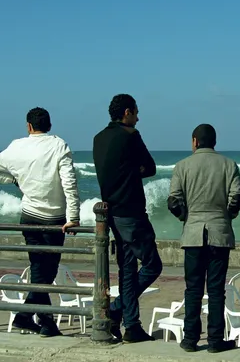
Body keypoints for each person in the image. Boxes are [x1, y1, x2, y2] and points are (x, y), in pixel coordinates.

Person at [0, 107, 80, 337]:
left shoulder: (16, 146)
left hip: (29, 217)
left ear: (29, 126)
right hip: (54, 219)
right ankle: (40, 320)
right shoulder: (58, 145)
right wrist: (73, 216)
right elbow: (69, 183)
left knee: (40, 270)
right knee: (46, 271)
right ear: (50, 125)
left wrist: (14, 179)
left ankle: (32, 319)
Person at [167, 124, 240, 353]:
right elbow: (236, 197)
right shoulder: (229, 165)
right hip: (219, 233)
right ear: (214, 142)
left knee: (193, 289)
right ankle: (215, 340)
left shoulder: (182, 166)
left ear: (194, 141)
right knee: (216, 289)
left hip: (192, 235)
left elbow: (173, 201)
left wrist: (186, 218)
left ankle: (190, 339)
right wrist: (227, 216)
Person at [93, 93, 162, 343]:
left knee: (127, 269)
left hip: (111, 212)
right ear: (126, 113)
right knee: (153, 265)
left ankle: (132, 325)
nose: (138, 117)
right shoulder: (130, 135)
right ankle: (116, 308)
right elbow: (151, 167)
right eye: (135, 112)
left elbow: (111, 171)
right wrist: (134, 172)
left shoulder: (98, 138)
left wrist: (129, 171)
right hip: (131, 211)